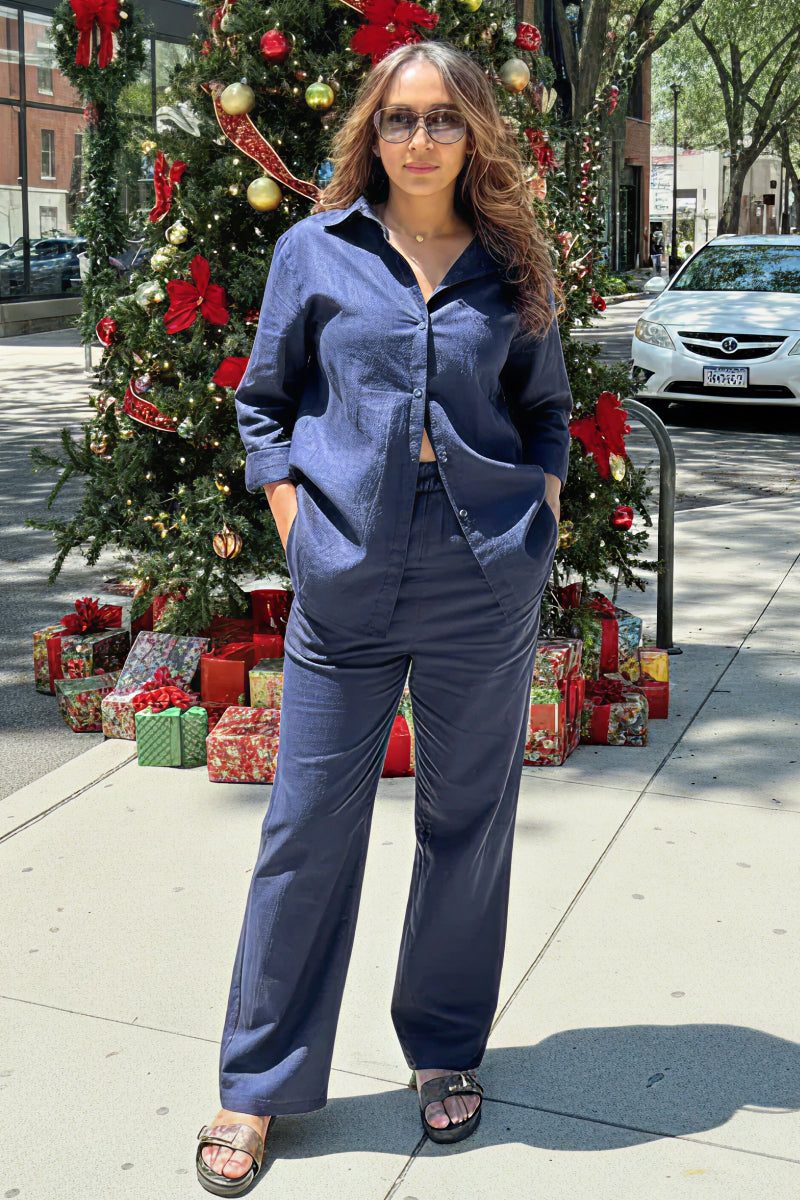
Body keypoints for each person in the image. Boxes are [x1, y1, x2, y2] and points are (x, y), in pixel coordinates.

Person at [196, 39, 572, 1195]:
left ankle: (444, 1050)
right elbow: (264, 402)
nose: (420, 139)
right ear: (374, 129)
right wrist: (292, 527)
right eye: (402, 118)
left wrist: (535, 526)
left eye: (442, 119)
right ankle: (255, 1087)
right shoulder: (314, 248)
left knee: (465, 827)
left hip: (479, 574)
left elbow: (546, 411)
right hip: (346, 565)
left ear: (472, 135)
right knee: (306, 826)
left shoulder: (510, 263)